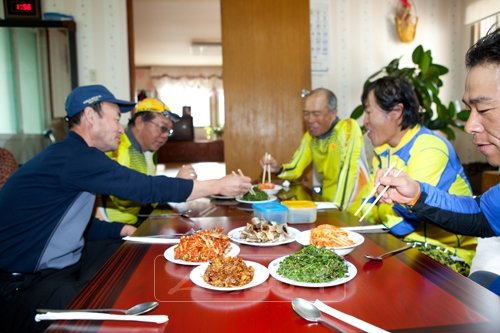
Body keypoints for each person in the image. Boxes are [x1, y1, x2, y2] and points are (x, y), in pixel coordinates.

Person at [0, 84, 252, 332]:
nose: (121, 128)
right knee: (115, 316)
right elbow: (143, 187)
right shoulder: (76, 157)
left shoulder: (71, 157)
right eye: (115, 119)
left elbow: (64, 224)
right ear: (90, 116)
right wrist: (216, 185)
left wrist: (120, 228)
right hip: (23, 284)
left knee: (138, 261)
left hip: (59, 266)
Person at [374, 28, 500, 295]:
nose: (469, 126)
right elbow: (482, 215)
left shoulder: (430, 145)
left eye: (485, 109)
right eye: (469, 110)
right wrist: (416, 195)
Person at [350, 76, 476, 275]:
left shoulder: (430, 148)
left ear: (396, 112)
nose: (365, 121)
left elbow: (403, 222)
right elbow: (364, 205)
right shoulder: (383, 151)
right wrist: (379, 208)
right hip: (400, 244)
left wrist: (381, 208)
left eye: (368, 111)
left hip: (444, 253)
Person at [260, 88, 369, 209]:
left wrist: (339, 209)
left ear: (333, 113)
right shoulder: (310, 137)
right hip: (328, 203)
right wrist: (278, 169)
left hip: (355, 207)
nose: (310, 120)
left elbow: (349, 172)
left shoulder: (347, 128)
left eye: (316, 114)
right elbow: (296, 168)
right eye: (306, 113)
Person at [95, 97, 197, 225]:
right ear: (139, 122)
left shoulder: (149, 151)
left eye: (168, 131)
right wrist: (174, 185)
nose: (165, 135)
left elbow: (148, 196)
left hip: (137, 220)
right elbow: (123, 198)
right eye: (162, 128)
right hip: (112, 228)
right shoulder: (115, 148)